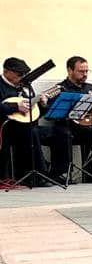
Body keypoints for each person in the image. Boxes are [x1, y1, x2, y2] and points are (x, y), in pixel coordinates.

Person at [1, 58, 51, 186]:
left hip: (28, 124)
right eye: (19, 74)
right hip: (6, 127)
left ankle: (57, 173)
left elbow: (35, 113)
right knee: (31, 132)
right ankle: (39, 175)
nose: (22, 77)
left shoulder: (26, 86)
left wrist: (43, 105)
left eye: (24, 74)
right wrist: (16, 107)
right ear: (7, 72)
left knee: (62, 133)